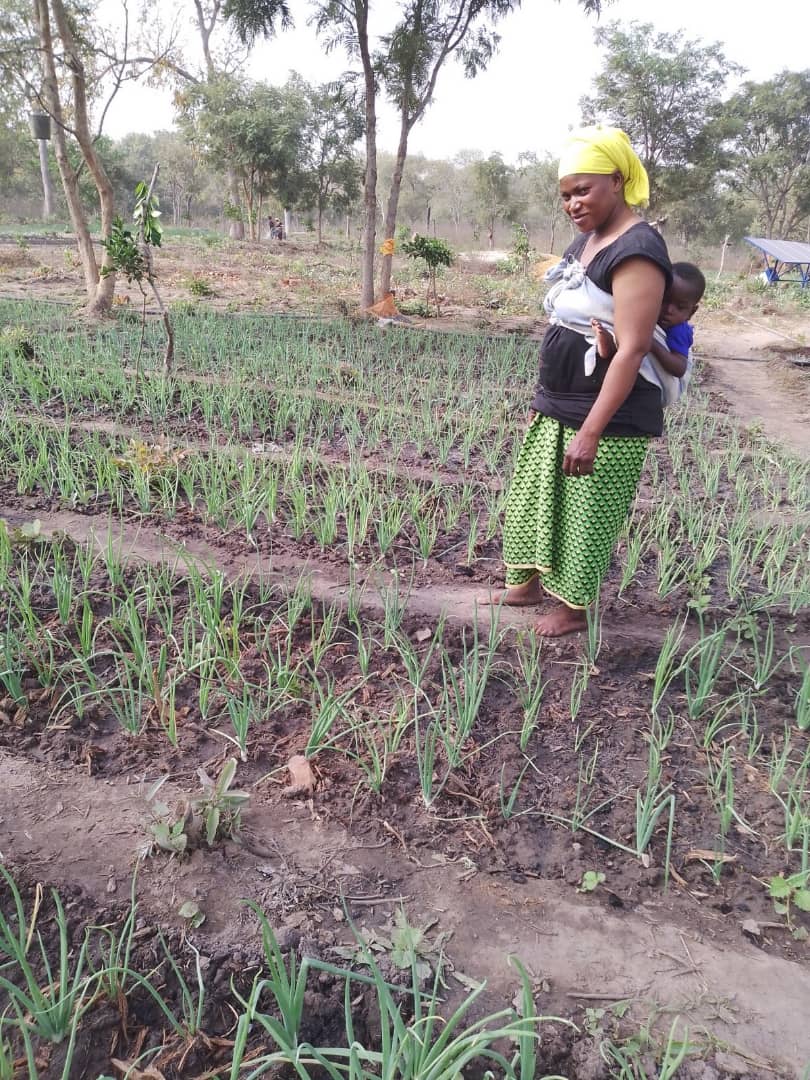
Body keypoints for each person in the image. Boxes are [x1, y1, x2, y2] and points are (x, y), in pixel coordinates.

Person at [496, 126, 672, 637]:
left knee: (586, 512)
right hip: (562, 398)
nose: (572, 203)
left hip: (609, 414)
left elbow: (633, 347)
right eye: (565, 195)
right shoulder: (589, 239)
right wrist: (545, 396)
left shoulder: (638, 249)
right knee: (534, 497)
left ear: (616, 181)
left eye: (583, 190)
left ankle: (574, 610)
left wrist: (592, 431)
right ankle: (527, 584)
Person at [591, 261, 706, 379]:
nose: (669, 310)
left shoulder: (680, 331)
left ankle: (610, 347)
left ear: (691, 313)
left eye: (680, 307)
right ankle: (608, 343)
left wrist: (652, 344)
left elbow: (679, 368)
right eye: (664, 300)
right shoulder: (651, 313)